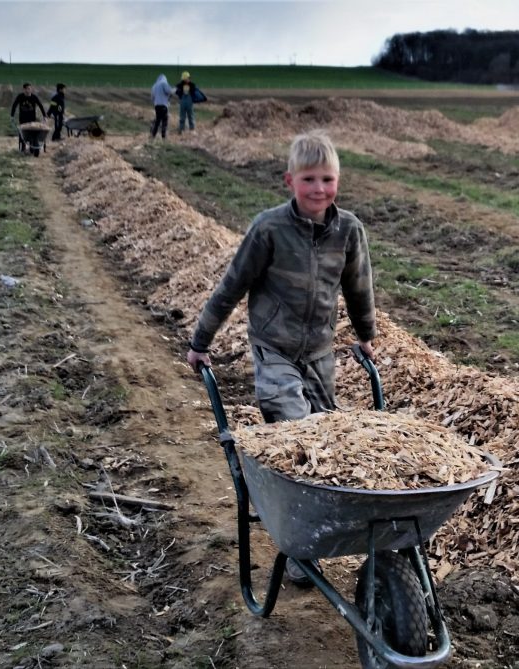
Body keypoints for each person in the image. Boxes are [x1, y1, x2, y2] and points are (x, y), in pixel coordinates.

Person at [186, 131, 376, 579]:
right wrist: (200, 342)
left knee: (325, 442)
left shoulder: (348, 230)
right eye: (309, 179)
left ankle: (318, 529)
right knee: (294, 434)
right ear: (289, 180)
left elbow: (359, 287)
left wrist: (366, 335)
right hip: (274, 351)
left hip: (320, 354)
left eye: (327, 179)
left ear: (339, 182)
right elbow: (232, 285)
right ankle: (298, 549)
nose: (319, 189)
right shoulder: (269, 228)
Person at [9, 83, 47, 151]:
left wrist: (44, 116)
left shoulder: (34, 97)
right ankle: (23, 146)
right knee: (22, 133)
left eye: (29, 89)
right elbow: (14, 105)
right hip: (23, 118)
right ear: (23, 90)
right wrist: (12, 116)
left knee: (32, 133)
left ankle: (32, 145)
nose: (28, 90)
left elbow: (40, 105)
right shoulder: (20, 97)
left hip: (32, 119)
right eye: (26, 89)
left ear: (31, 89)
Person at [150, 74, 174, 139]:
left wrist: (155, 102)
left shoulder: (154, 85)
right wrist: (173, 90)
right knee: (164, 121)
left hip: (156, 105)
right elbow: (169, 91)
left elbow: (152, 97)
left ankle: (153, 135)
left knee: (157, 121)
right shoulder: (164, 84)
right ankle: (163, 136)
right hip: (163, 105)